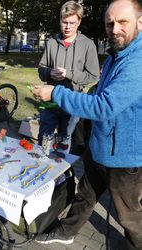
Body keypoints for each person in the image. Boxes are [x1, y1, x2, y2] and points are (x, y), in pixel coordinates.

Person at [32, 0, 142, 249]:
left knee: (129, 216)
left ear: (140, 22)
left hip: (124, 157)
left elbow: (104, 106)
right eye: (110, 23)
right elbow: (99, 91)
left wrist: (55, 93)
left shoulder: (137, 60)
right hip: (100, 145)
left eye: (122, 22)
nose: (115, 29)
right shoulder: (119, 53)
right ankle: (67, 231)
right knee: (86, 194)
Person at [37, 1, 99, 152]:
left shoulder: (88, 45)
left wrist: (69, 74)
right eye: (64, 22)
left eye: (72, 23)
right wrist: (49, 72)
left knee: (65, 141)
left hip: (72, 102)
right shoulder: (51, 43)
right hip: (50, 102)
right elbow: (41, 69)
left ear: (79, 22)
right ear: (60, 20)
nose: (68, 27)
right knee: (44, 140)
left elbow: (93, 75)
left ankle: (62, 172)